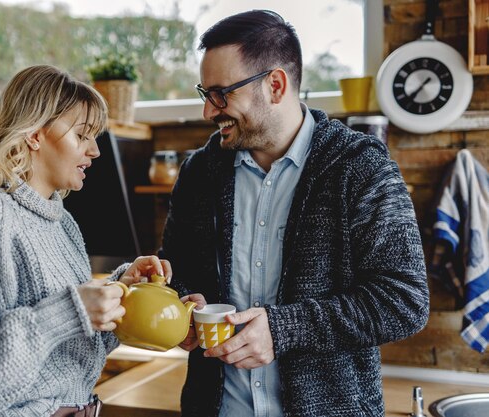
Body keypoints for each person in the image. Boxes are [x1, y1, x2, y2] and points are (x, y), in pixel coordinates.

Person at [161, 10, 430, 417]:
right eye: (205, 94)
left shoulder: (359, 167)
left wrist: (284, 328)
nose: (208, 111)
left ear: (275, 85)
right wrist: (181, 300)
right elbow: (178, 270)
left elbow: (404, 300)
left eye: (221, 94)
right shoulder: (200, 173)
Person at [0, 65, 171, 417]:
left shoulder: (62, 223)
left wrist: (120, 292)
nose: (95, 151)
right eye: (82, 135)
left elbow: (69, 354)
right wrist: (69, 311)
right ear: (34, 134)